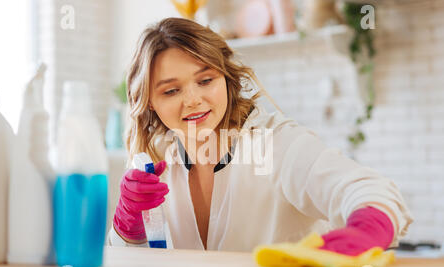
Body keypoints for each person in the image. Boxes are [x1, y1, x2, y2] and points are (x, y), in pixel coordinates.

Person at [108, 17, 413, 254]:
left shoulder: (275, 143)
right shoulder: (153, 164)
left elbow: (368, 190)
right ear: (149, 100)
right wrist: (128, 229)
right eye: (171, 90)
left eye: (205, 80)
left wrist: (366, 229)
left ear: (225, 79)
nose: (192, 100)